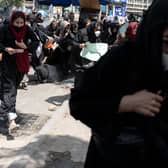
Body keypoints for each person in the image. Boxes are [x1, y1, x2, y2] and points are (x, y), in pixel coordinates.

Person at [69, 0, 168, 167]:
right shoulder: (122, 59)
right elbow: (79, 104)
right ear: (152, 33)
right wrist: (124, 103)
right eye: (166, 42)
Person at [0, 11, 39, 133]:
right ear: (12, 21)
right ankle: (11, 117)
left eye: (21, 22)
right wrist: (6, 49)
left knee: (13, 89)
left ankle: (7, 111)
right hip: (8, 63)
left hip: (21, 63)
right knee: (9, 89)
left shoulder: (27, 29)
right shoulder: (5, 29)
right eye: (16, 22)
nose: (19, 25)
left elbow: (36, 41)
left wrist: (25, 47)